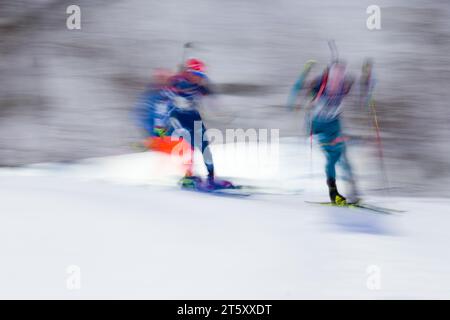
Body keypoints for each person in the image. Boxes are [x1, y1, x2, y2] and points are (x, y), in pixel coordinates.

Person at [306, 61, 360, 204]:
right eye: (335, 76)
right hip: (320, 128)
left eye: (340, 76)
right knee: (333, 158)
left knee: (343, 159)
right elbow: (311, 88)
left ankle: (351, 192)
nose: (337, 81)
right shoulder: (321, 87)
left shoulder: (342, 88)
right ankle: (333, 192)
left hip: (334, 127)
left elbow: (353, 89)